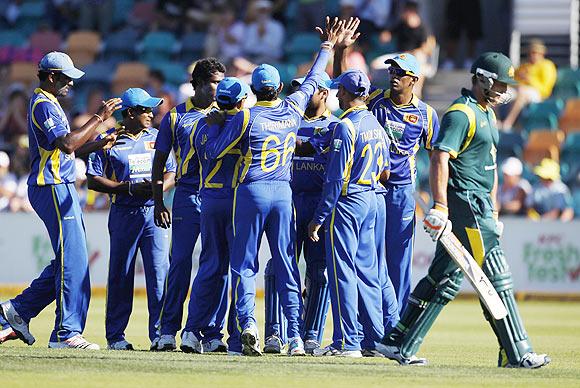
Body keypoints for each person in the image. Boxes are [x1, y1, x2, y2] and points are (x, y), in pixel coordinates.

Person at [378, 52, 551, 369]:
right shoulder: (461, 114)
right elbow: (439, 157)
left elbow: (491, 166)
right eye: (498, 83)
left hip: (481, 206)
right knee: (498, 278)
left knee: (443, 280)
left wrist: (495, 211)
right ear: (482, 79)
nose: (503, 89)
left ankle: (397, 342)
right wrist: (440, 206)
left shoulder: (488, 114)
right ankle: (518, 352)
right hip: (466, 206)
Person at [204, 17, 343, 357]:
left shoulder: (245, 116)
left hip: (250, 191)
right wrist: (327, 47)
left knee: (244, 264)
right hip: (284, 194)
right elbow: (312, 81)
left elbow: (211, 151)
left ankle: (247, 324)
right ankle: (295, 337)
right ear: (280, 89)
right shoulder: (294, 108)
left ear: (253, 91)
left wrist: (217, 123)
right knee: (287, 264)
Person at [0, 51, 121, 349]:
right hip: (51, 186)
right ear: (51, 76)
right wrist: (98, 119)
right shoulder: (43, 103)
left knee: (71, 259)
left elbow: (68, 149)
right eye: (65, 78)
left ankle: (18, 311)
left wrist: (97, 143)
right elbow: (67, 144)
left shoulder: (50, 102)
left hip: (59, 185)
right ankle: (66, 333)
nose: (69, 84)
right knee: (73, 260)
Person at [334, 19, 440, 315]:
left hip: (402, 193)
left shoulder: (426, 115)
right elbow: (346, 87)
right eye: (391, 71)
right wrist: (341, 51)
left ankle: (399, 326)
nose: (394, 76)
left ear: (414, 80)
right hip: (372, 190)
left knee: (399, 261)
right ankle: (373, 323)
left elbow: (437, 159)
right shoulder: (375, 100)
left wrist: (437, 202)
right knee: (370, 259)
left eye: (401, 73)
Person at [308, 69, 390, 357]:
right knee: (367, 272)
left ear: (346, 92)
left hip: (348, 200)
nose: (336, 95)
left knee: (341, 271)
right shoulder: (376, 125)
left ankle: (347, 342)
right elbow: (386, 171)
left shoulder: (346, 126)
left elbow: (334, 179)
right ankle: (375, 340)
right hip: (371, 198)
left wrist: (318, 218)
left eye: (339, 90)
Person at [86, 88, 176, 350]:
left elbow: (171, 172)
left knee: (159, 274)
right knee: (121, 275)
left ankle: (160, 335)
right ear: (131, 113)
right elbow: (93, 179)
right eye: (145, 110)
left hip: (153, 212)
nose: (151, 113)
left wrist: (157, 191)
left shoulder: (158, 137)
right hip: (124, 213)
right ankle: (116, 337)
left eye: (151, 109)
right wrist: (126, 188)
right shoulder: (108, 139)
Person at [151, 58, 226, 351]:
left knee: (216, 264)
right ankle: (168, 330)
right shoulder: (175, 116)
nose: (218, 89)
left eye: (221, 82)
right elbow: (159, 162)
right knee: (180, 263)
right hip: (187, 195)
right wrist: (159, 202)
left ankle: (210, 333)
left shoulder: (229, 115)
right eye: (213, 83)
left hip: (218, 196)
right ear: (196, 84)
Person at [263, 73, 339, 355]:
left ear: (323, 93)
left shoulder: (335, 125)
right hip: (288, 201)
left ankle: (311, 336)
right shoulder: (287, 121)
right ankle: (274, 333)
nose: (302, 95)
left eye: (307, 91)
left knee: (319, 272)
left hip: (319, 205)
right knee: (278, 268)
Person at [183, 77, 251, 355]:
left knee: (210, 268)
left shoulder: (201, 123)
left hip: (208, 199)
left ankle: (192, 331)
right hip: (235, 200)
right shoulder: (246, 123)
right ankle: (235, 337)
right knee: (239, 269)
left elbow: (188, 164)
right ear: (241, 101)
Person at [501, 40, 557, 130]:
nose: (532, 55)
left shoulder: (547, 65)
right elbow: (511, 81)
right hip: (519, 91)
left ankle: (507, 123)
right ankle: (495, 120)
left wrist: (529, 79)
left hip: (537, 95)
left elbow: (546, 90)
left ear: (542, 53)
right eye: (530, 53)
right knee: (497, 90)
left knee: (523, 92)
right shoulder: (525, 66)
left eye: (535, 53)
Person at [441, 0, 483, 70]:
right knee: (452, 30)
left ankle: (470, 60)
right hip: (454, 3)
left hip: (472, 3)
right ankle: (449, 61)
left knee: (473, 31)